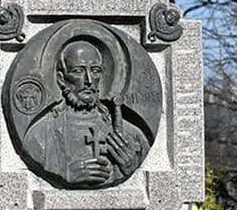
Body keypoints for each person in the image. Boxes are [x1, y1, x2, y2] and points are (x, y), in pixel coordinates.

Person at [23, 39, 150, 188]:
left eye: (95, 71)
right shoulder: (41, 135)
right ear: (61, 79)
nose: (89, 81)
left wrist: (130, 166)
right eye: (78, 71)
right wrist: (63, 173)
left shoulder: (131, 135)